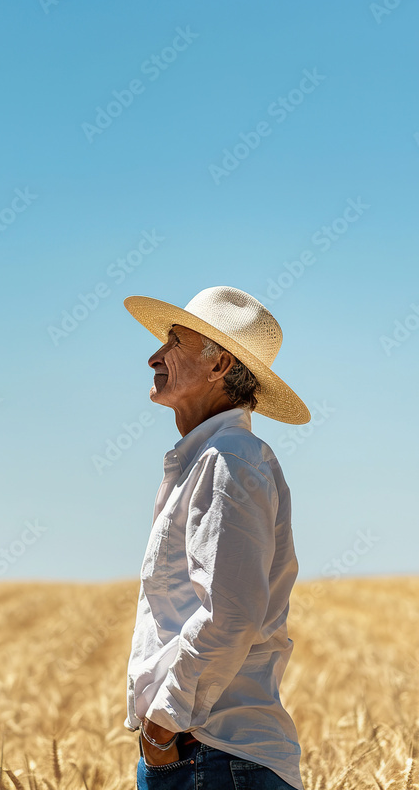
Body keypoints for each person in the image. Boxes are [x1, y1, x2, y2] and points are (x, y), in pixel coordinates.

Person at [122, 286, 310, 790]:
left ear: (219, 365)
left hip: (212, 754)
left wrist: (162, 731)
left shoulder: (227, 459)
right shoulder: (221, 457)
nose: (153, 357)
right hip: (209, 753)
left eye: (173, 342)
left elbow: (228, 613)